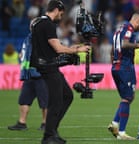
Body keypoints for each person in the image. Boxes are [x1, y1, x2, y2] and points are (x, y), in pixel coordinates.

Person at [29, 1, 90, 144]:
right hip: (48, 67)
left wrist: (71, 47)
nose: (61, 17)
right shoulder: (48, 24)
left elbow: (49, 46)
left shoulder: (38, 22)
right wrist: (76, 50)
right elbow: (57, 48)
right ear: (56, 10)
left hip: (46, 65)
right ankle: (48, 136)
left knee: (67, 96)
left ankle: (52, 131)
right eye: (61, 14)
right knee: (56, 102)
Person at [108, 12, 139, 140]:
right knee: (127, 97)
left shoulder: (119, 29)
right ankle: (122, 132)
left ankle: (114, 124)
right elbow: (124, 44)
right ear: (138, 20)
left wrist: (114, 62)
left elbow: (112, 50)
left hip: (116, 67)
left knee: (128, 97)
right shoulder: (129, 29)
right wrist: (138, 45)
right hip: (125, 67)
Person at [8, 18, 48, 131]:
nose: (31, 27)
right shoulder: (29, 39)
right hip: (28, 74)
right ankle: (22, 122)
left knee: (44, 101)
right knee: (24, 99)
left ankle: (45, 123)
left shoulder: (43, 39)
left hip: (41, 74)